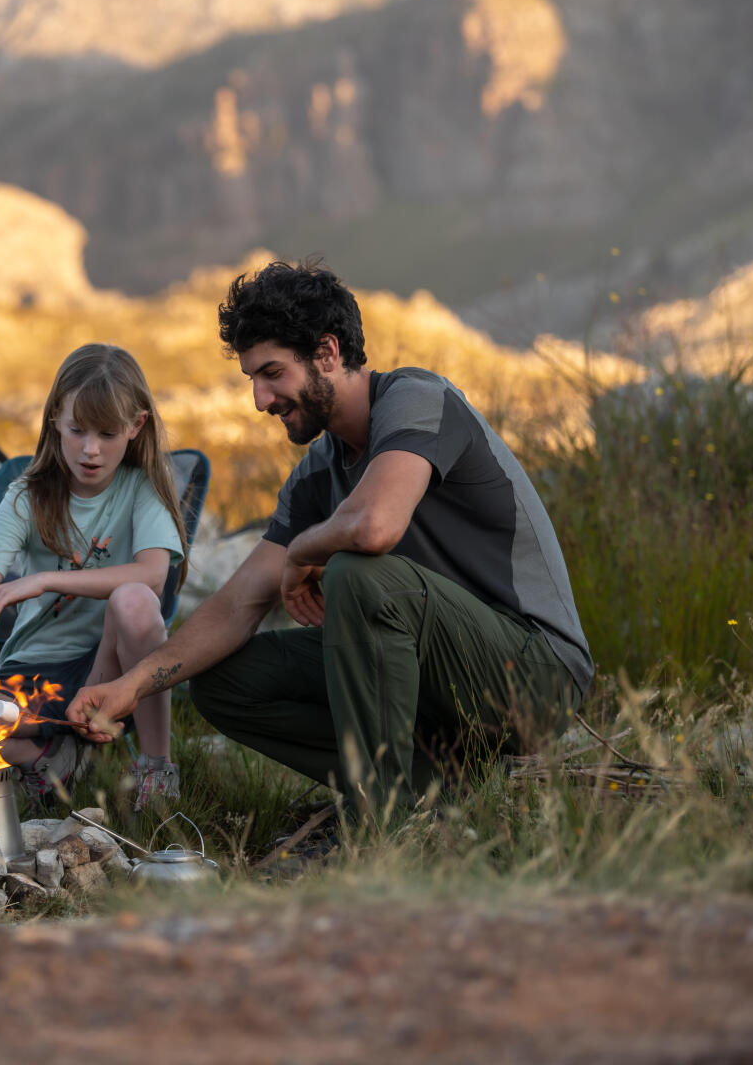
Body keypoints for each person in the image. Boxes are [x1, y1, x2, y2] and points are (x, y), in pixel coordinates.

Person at [67, 258, 591, 821]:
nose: (260, 400)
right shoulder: (318, 471)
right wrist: (134, 684)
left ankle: (382, 817)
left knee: (360, 573)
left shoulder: (417, 398)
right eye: (252, 380)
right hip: (439, 691)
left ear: (327, 353)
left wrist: (302, 550)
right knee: (222, 683)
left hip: (533, 674)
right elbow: (237, 604)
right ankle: (432, 788)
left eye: (272, 373)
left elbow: (375, 527)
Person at [0, 344, 188, 810]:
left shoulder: (142, 489)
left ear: (135, 426)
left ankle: (155, 768)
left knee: (133, 600)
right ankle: (42, 752)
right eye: (77, 429)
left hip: (105, 672)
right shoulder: (28, 494)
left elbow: (152, 576)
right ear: (55, 419)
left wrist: (45, 581)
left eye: (107, 433)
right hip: (30, 677)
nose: (90, 449)